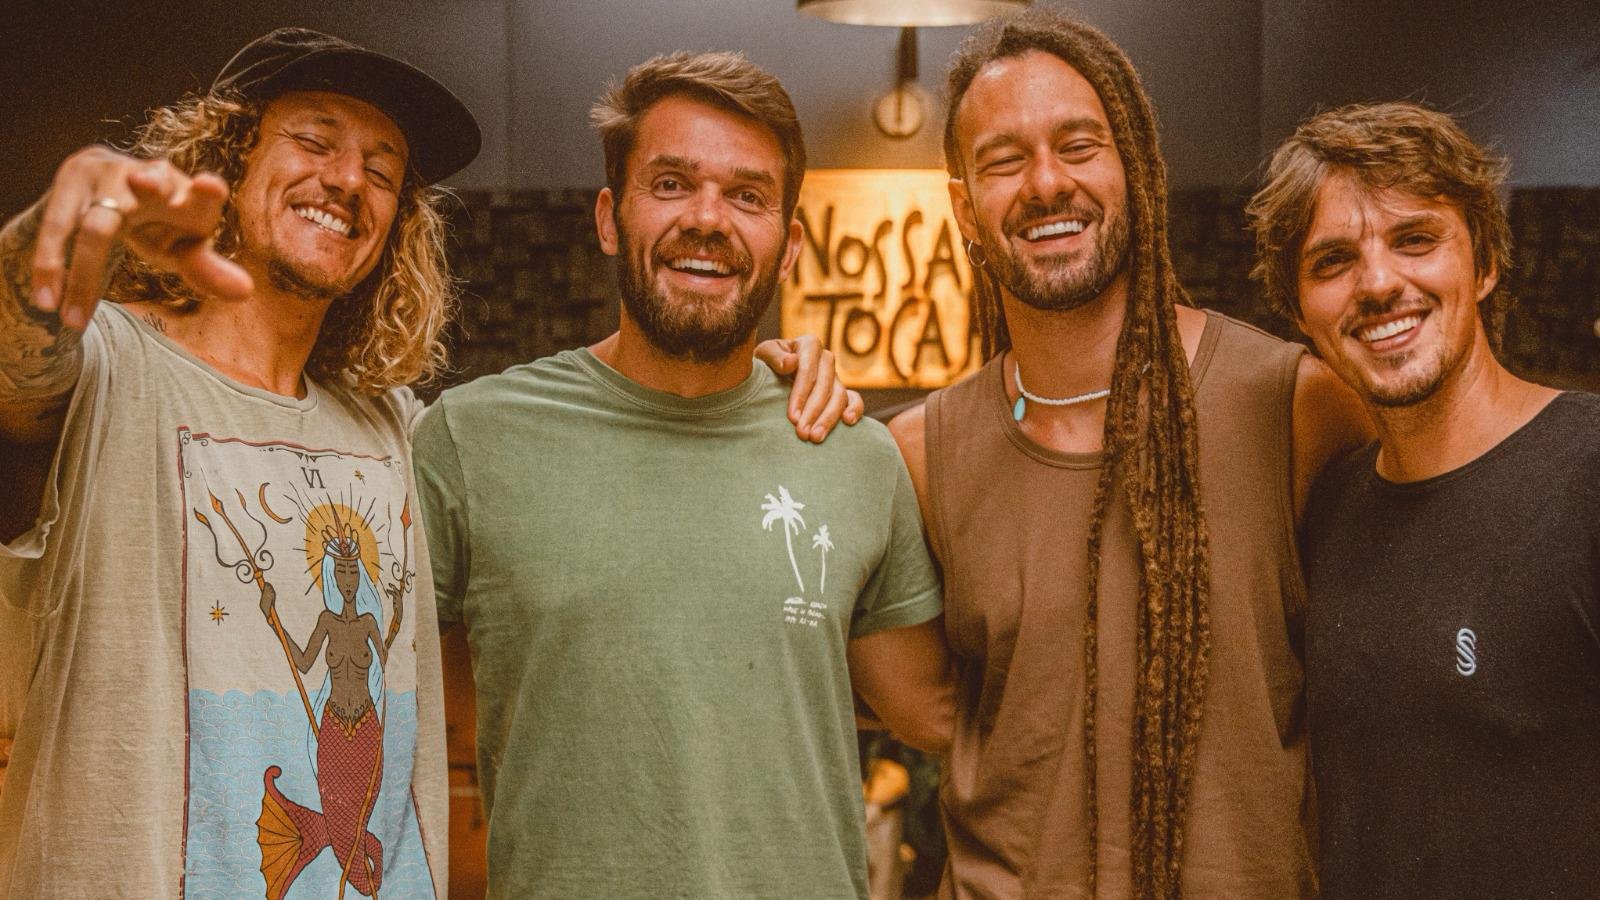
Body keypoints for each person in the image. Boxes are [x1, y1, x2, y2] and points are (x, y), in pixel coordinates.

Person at [0, 28, 854, 898]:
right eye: (315, 141)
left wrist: (758, 378)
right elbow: (15, 367)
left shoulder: (394, 432)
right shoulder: (110, 372)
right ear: (226, 157)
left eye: (382, 171)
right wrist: (41, 252)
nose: (347, 180)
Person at [413, 51, 950, 898]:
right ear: (608, 218)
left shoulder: (852, 453)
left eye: (747, 196)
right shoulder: (470, 438)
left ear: (789, 245)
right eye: (671, 184)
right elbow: (355, 701)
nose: (708, 219)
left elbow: (939, 715)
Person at [887, 10, 1370, 898]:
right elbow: (930, 712)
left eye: (1079, 147)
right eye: (1004, 161)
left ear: (1136, 171)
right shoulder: (920, 453)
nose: (1046, 184)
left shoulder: (1294, 405)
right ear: (963, 209)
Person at [1247, 101, 1600, 897]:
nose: (1379, 284)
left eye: (1415, 239)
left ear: (1485, 263)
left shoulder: (1587, 473)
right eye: (1333, 261)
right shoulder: (1326, 512)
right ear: (1299, 311)